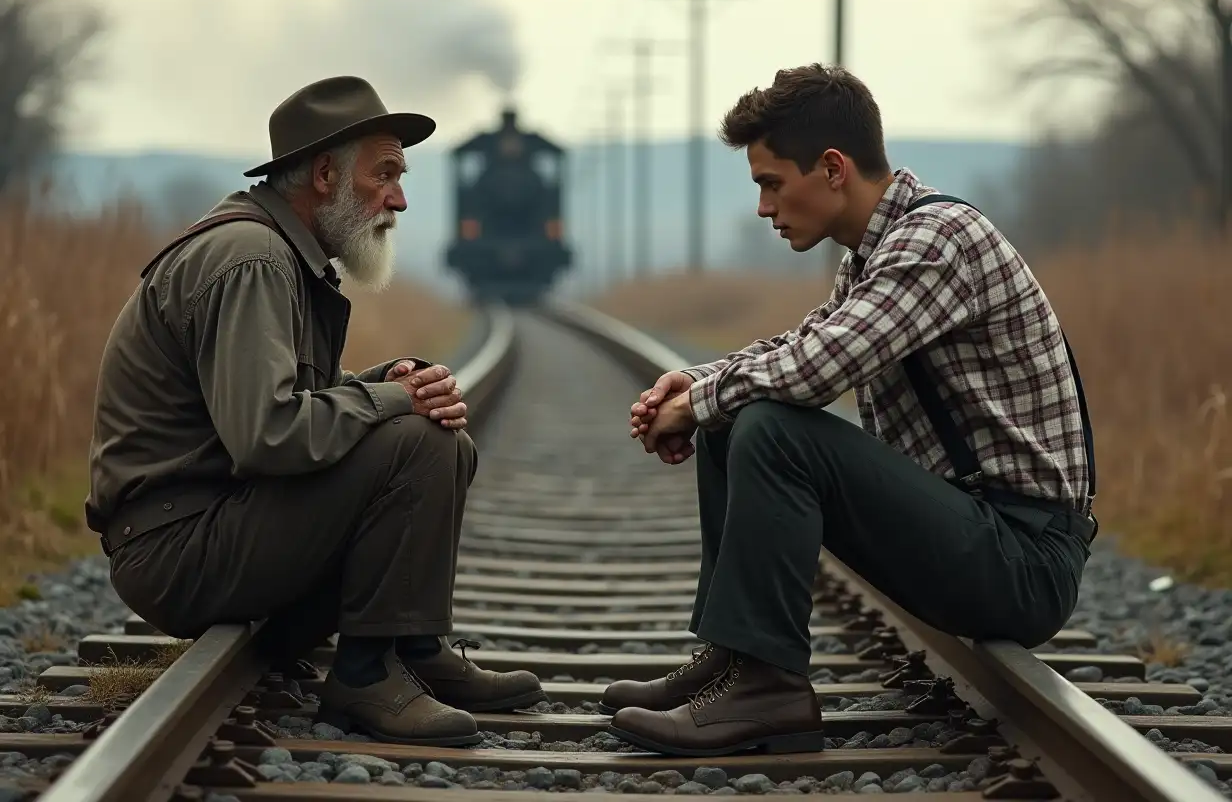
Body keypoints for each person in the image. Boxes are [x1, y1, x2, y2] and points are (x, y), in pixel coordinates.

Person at [601, 64, 1098, 757]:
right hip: (977, 532)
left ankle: (769, 689)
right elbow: (804, 344)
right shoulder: (874, 256)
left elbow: (818, 369)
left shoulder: (937, 242)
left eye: (771, 183)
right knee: (739, 413)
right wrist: (696, 382)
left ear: (832, 168)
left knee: (770, 424)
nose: (763, 208)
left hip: (1021, 558)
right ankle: (737, 659)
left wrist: (704, 399)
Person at [87, 75, 545, 747]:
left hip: (216, 522)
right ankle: (364, 677)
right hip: (180, 550)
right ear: (326, 175)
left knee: (443, 439)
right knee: (419, 441)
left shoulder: (278, 253)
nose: (400, 197)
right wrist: (392, 399)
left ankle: (413, 649)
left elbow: (280, 411)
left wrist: (382, 382)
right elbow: (268, 437)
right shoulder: (251, 259)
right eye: (383, 174)